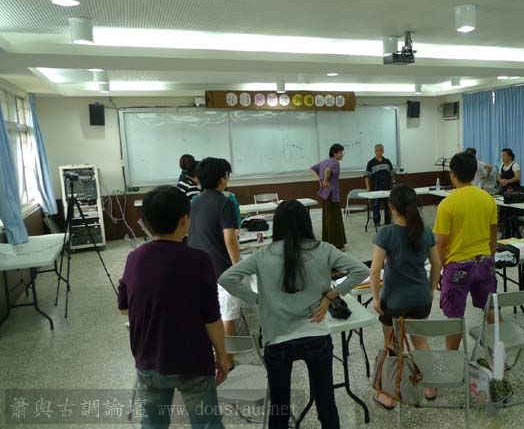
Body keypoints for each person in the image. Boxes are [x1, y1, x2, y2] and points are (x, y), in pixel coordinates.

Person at [218, 200, 369, 429]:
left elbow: (226, 278)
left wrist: (257, 299)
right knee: (326, 402)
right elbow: (361, 270)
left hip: (277, 339)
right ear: (306, 222)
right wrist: (330, 296)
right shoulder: (323, 249)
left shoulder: (262, 255)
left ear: (277, 225)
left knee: (279, 408)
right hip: (316, 335)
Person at [118, 186, 230, 428]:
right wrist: (223, 356)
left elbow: (125, 308)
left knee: (153, 424)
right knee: (207, 424)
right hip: (193, 362)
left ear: (147, 223)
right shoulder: (200, 260)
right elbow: (212, 319)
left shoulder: (134, 258)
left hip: (149, 360)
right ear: (184, 221)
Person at [370, 185, 441, 409]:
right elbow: (437, 264)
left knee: (393, 344)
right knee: (420, 341)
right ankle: (430, 387)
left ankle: (390, 396)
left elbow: (375, 270)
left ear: (391, 207)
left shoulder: (386, 233)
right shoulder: (425, 231)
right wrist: (430, 289)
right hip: (421, 298)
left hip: (393, 301)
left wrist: (375, 297)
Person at [433, 152, 498, 351]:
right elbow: (493, 235)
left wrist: (438, 271)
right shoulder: (488, 199)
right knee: (491, 308)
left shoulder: (447, 204)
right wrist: (490, 259)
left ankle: (452, 360)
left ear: (453, 173)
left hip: (458, 266)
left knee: (455, 317)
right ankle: (499, 355)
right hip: (484, 262)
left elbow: (441, 244)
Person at [188, 158, 242, 348]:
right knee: (227, 314)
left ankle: (212, 349)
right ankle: (228, 357)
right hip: (221, 269)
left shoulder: (194, 201)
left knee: (208, 311)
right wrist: (238, 268)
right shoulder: (224, 202)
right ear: (221, 178)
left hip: (198, 267)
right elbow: (230, 240)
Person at [311, 144, 347, 249]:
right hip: (332, 194)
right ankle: (336, 244)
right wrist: (325, 180)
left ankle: (328, 242)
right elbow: (327, 170)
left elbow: (312, 169)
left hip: (325, 194)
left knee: (327, 218)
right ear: (335, 153)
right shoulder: (335, 162)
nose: (342, 154)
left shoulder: (324, 161)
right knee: (335, 219)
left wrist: (320, 180)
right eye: (341, 152)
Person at [365, 144, 394, 227]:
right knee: (376, 205)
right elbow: (367, 176)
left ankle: (388, 221)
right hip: (375, 188)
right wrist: (368, 187)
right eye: (377, 150)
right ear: (375, 151)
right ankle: (377, 222)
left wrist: (393, 184)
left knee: (388, 205)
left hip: (387, 188)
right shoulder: (371, 163)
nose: (379, 152)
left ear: (383, 151)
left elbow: (392, 174)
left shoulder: (387, 161)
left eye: (381, 150)